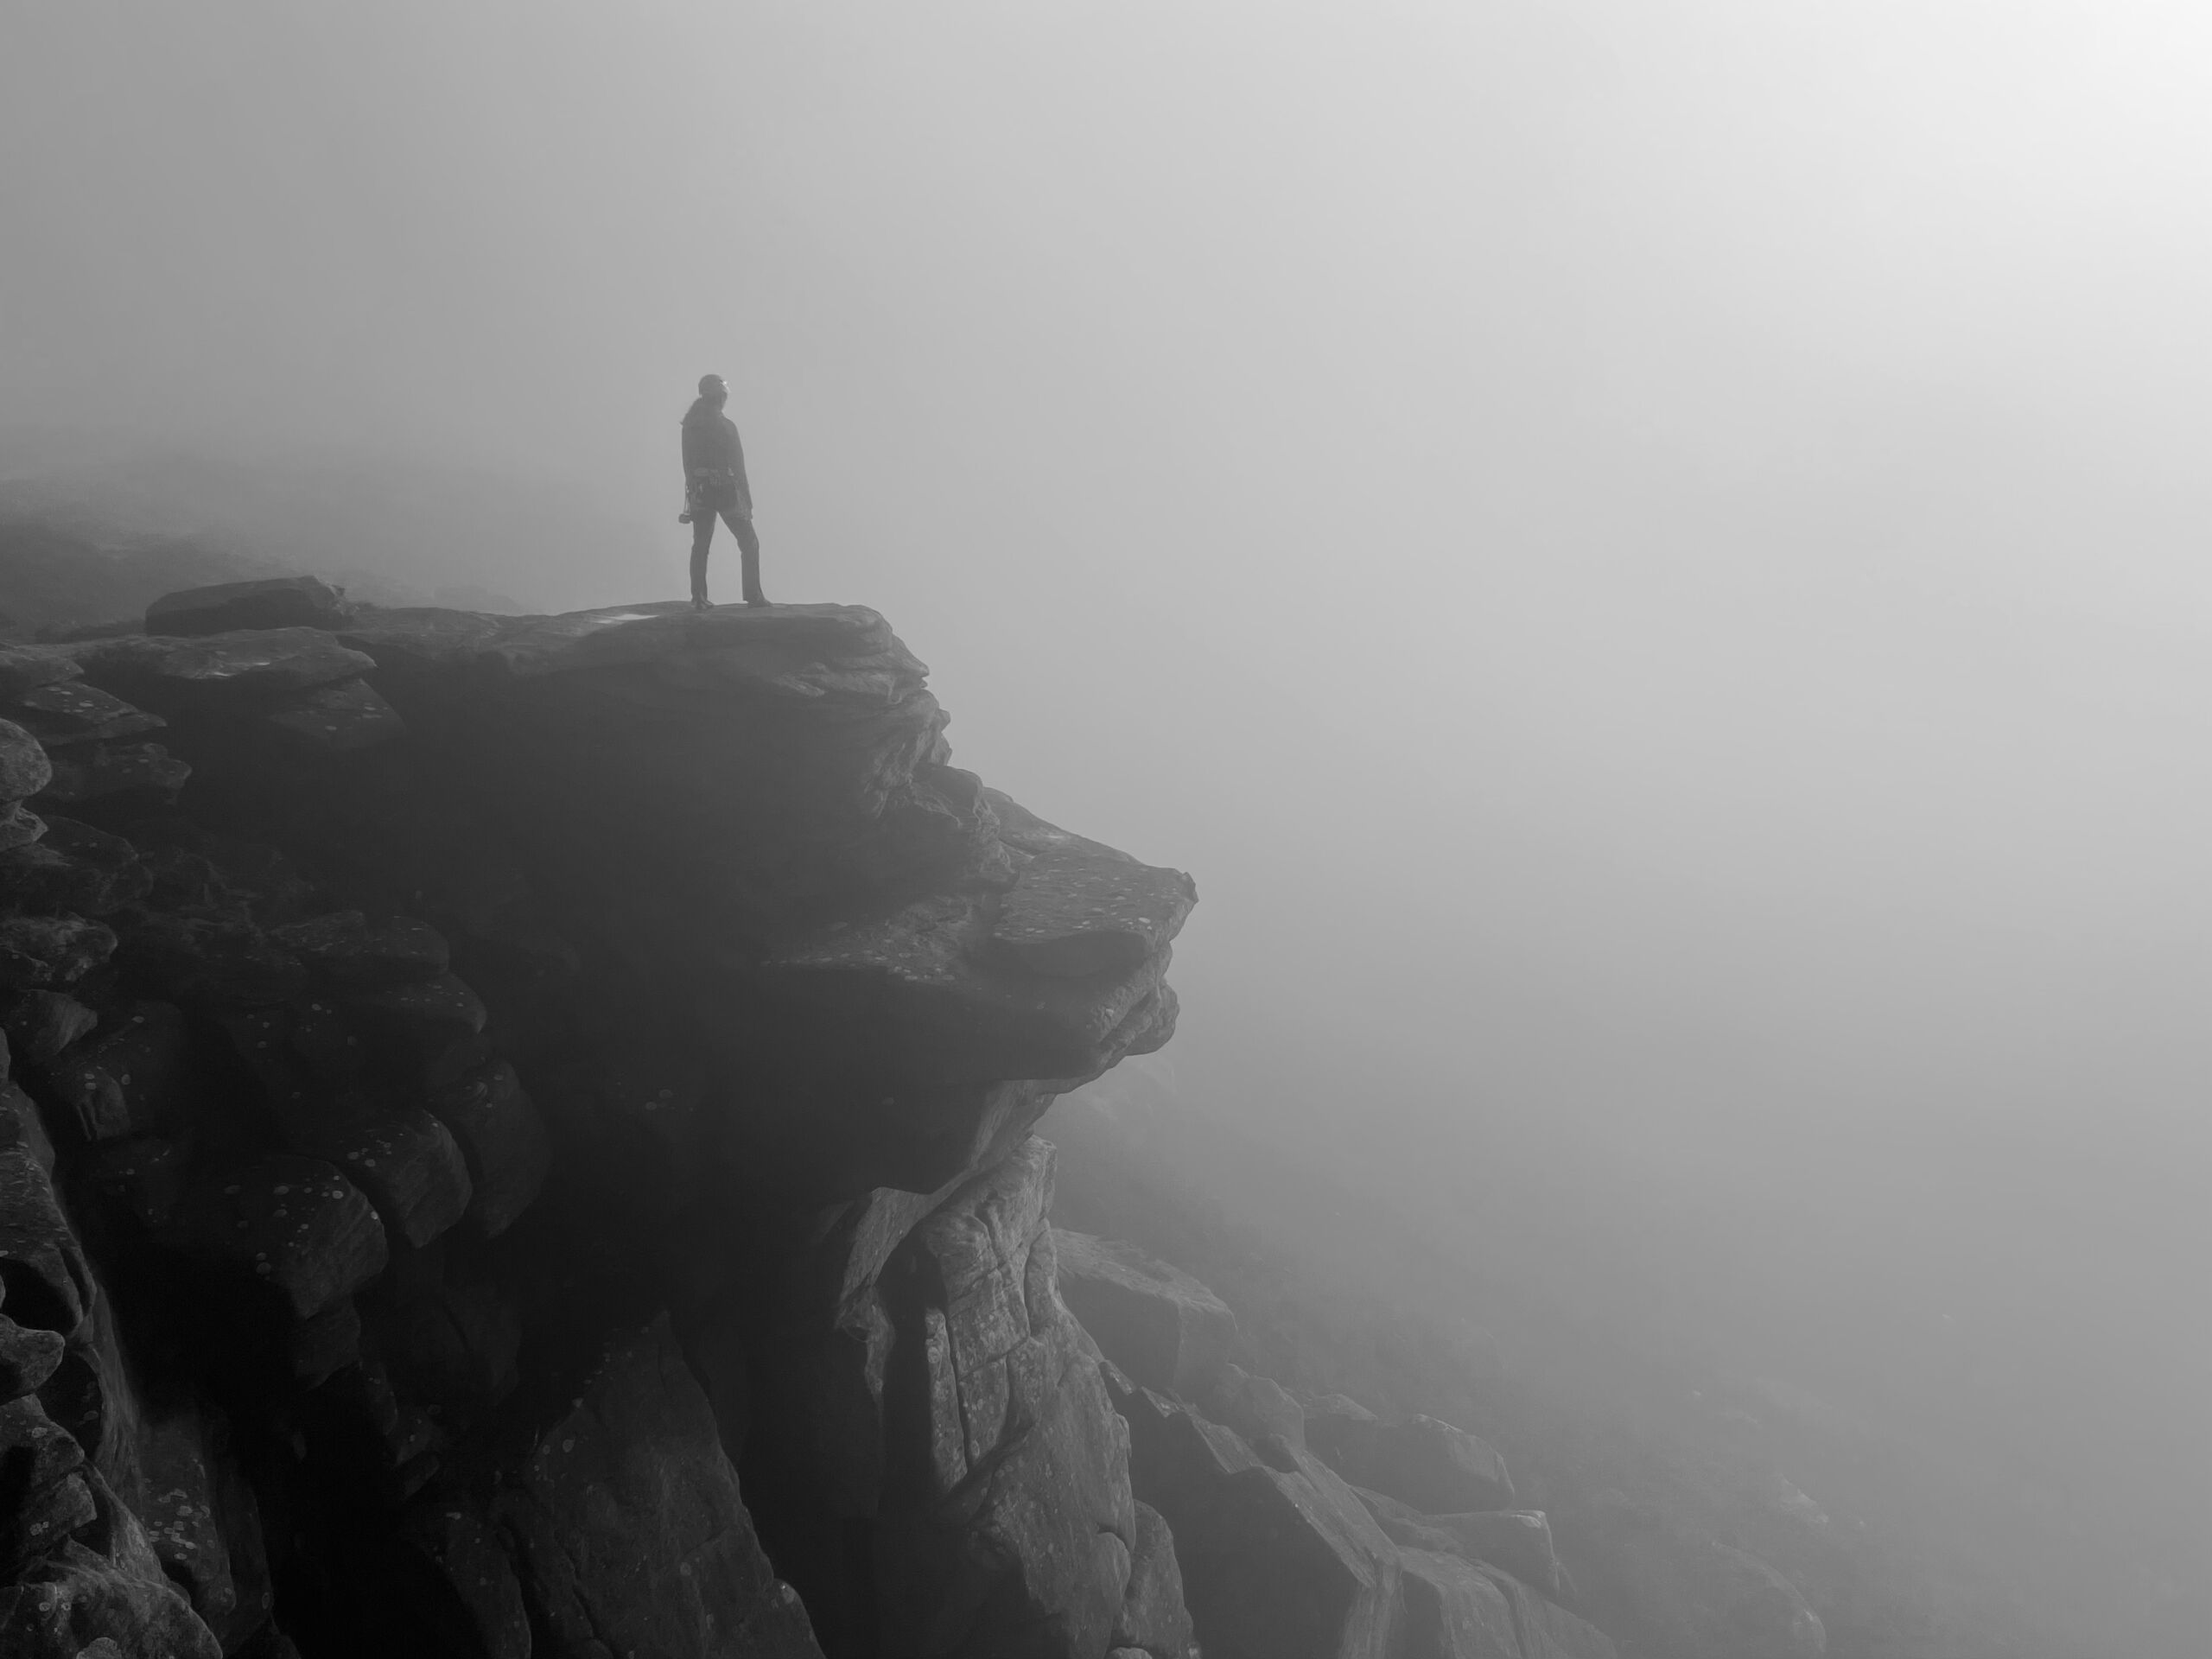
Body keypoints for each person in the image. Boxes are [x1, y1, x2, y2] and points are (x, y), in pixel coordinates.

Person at [679, 372, 767, 609]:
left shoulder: (690, 426)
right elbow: (738, 466)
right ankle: (753, 595)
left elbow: (687, 462)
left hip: (699, 491)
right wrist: (746, 498)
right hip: (726, 492)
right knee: (749, 542)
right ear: (720, 397)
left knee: (701, 544)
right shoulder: (726, 426)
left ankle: (698, 597)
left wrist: (692, 489)